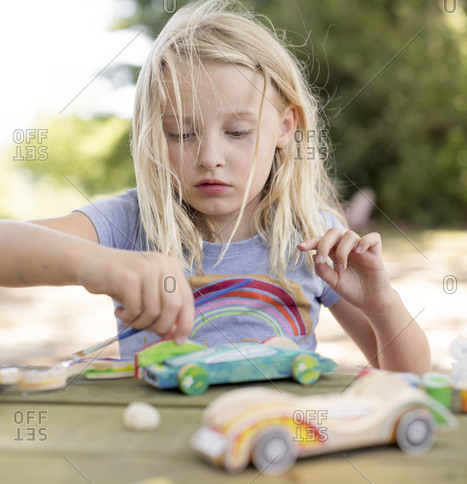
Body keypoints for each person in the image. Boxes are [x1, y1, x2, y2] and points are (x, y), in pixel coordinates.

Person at [0, 0, 430, 374]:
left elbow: (409, 377)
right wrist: (96, 263)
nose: (209, 157)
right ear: (152, 135)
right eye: (181, 134)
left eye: (238, 132)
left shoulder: (313, 237)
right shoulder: (132, 224)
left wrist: (382, 305)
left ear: (284, 127)